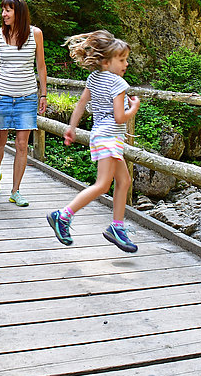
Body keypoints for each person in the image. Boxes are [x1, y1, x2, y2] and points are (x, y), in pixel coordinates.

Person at [47, 30, 141, 253]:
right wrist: (134, 108)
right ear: (106, 62)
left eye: (126, 59)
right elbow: (120, 117)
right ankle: (63, 215)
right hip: (110, 138)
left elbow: (80, 103)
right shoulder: (119, 84)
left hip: (100, 136)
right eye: (121, 60)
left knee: (124, 181)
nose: (125, 64)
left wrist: (71, 127)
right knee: (102, 185)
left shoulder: (94, 78)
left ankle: (116, 227)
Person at [0, 0, 48, 207]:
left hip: (27, 97)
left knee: (22, 144)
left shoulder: (35, 34)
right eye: (3, 10)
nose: (3, 14)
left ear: (18, 12)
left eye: (8, 10)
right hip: (1, 95)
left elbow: (41, 66)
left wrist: (43, 94)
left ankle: (15, 190)